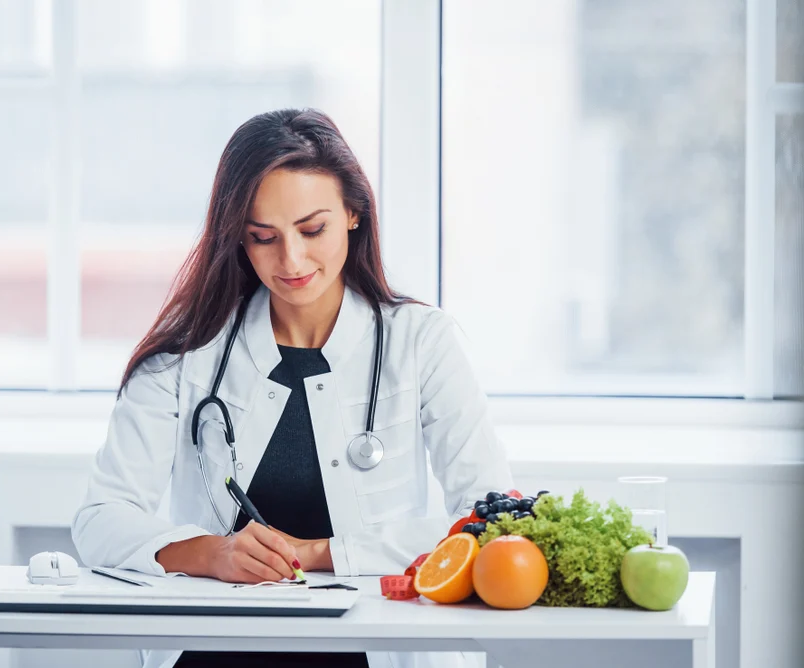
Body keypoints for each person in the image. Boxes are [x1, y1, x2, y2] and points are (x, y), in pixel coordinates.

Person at [72, 108, 513, 668]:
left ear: (354, 213)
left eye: (312, 230)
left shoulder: (420, 343)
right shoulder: (187, 355)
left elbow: (491, 517)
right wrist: (212, 554)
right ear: (238, 238)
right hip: (217, 651)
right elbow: (100, 518)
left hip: (372, 649)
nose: (292, 259)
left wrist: (325, 554)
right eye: (263, 237)